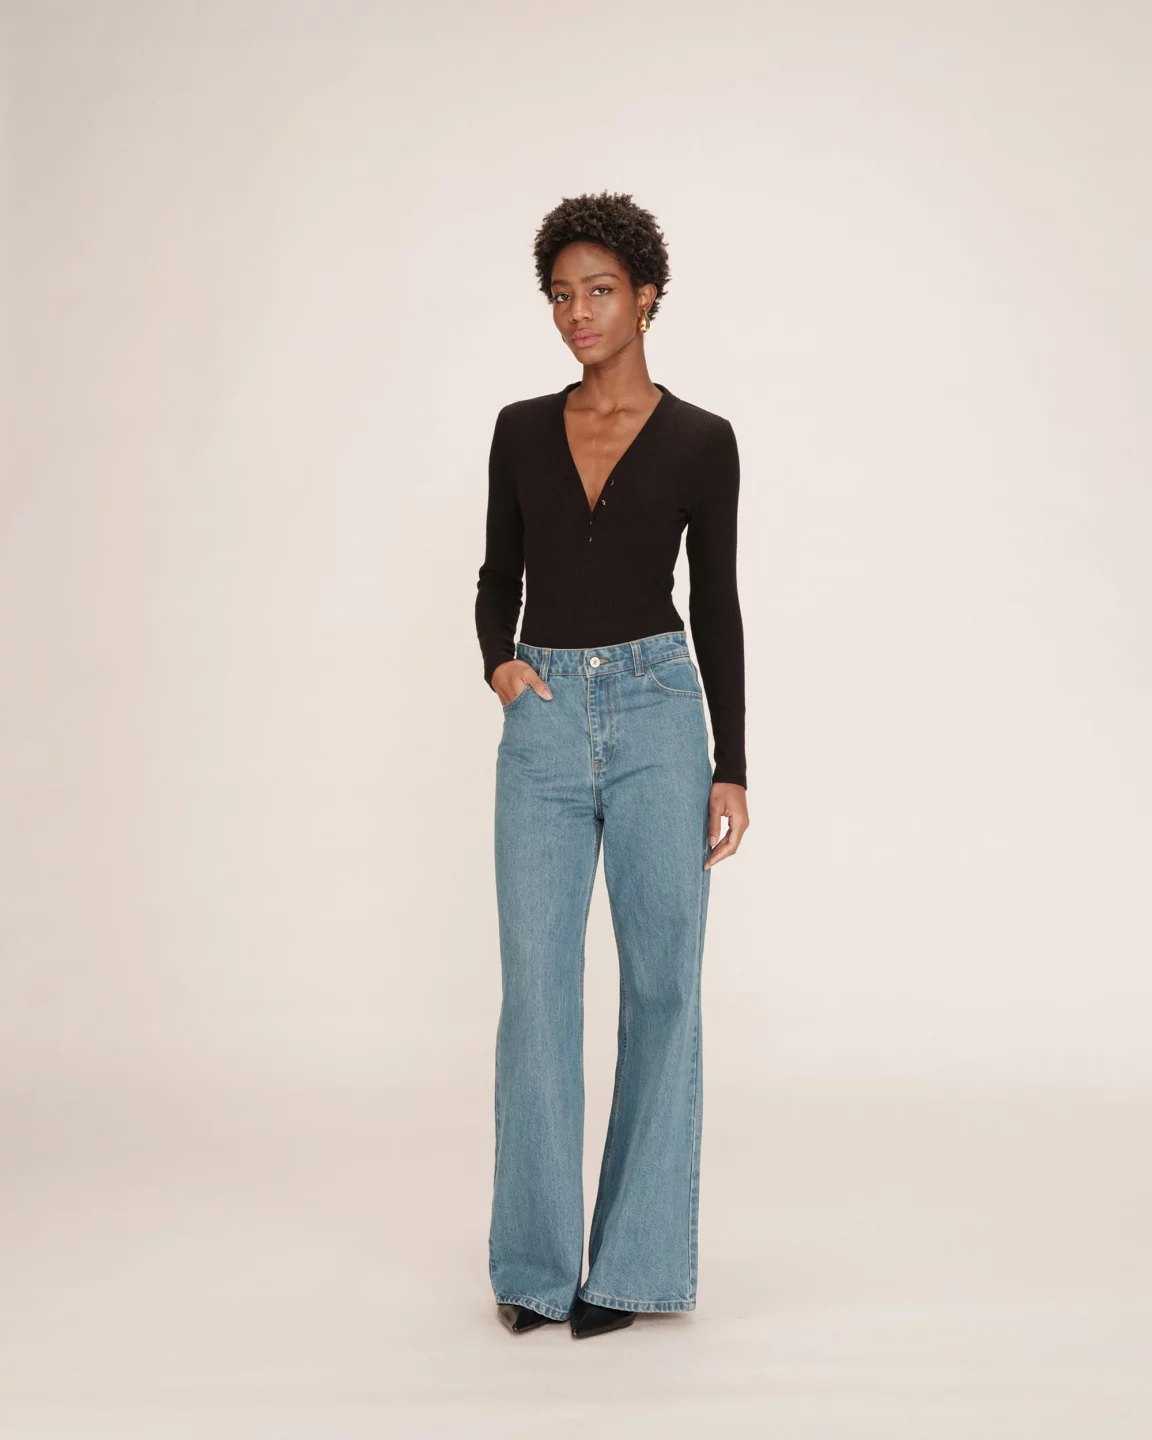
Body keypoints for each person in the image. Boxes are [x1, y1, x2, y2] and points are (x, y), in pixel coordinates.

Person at [475, 191, 749, 1340]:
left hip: (658, 716)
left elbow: (716, 602)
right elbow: (497, 574)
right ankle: (536, 1269)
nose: (576, 313)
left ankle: (632, 1269)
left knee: (663, 987)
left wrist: (732, 764)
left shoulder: (703, 440)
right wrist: (499, 664)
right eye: (559, 295)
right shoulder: (519, 428)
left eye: (597, 291)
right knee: (536, 994)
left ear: (646, 296)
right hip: (542, 718)